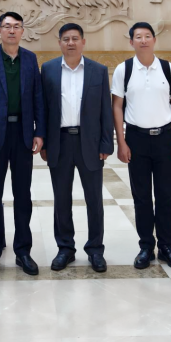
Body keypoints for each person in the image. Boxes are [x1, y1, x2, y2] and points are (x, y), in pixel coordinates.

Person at [0, 11, 46, 277]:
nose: (11, 30)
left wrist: (39, 132)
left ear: (23, 31)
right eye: (7, 26)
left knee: (22, 195)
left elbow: (38, 98)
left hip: (23, 135)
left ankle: (23, 251)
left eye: (16, 26)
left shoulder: (30, 59)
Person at [111, 22, 171, 271]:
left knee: (166, 195)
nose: (143, 40)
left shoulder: (167, 68)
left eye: (147, 36)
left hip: (165, 139)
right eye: (138, 37)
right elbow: (117, 106)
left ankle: (166, 247)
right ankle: (146, 246)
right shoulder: (124, 69)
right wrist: (121, 141)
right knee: (141, 197)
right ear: (131, 42)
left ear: (154, 40)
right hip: (136, 139)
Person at [41, 23, 114, 272]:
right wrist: (43, 141)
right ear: (59, 43)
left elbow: (105, 109)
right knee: (61, 199)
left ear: (83, 42)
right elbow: (43, 109)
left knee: (94, 199)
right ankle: (65, 248)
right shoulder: (48, 69)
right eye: (65, 39)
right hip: (59, 142)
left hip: (89, 143)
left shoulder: (98, 70)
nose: (70, 43)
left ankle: (95, 249)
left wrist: (106, 143)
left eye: (75, 38)